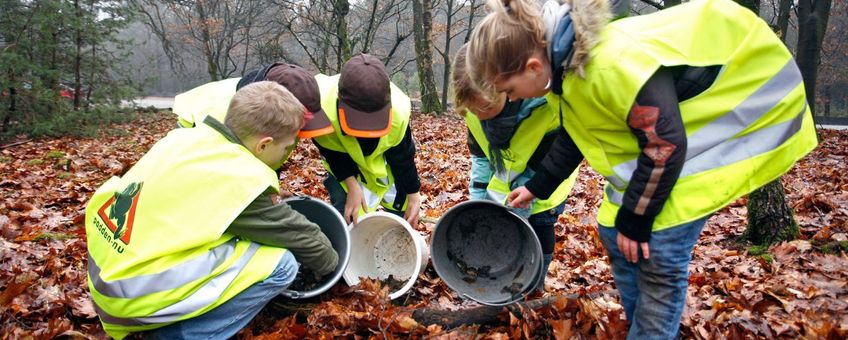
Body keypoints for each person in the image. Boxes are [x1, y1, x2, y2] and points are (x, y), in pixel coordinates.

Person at [465, 0, 817, 337]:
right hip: (659, 161)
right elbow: (576, 134)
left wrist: (636, 220)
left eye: (508, 89)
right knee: (612, 233)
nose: (510, 99)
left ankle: (652, 329)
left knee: (658, 256)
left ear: (533, 67)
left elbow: (664, 145)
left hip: (714, 136)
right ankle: (643, 327)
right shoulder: (566, 75)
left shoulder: (608, 67)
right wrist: (537, 187)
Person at [85, 81, 339, 339]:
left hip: (108, 276)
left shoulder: (191, 138)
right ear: (263, 145)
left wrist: (261, 197)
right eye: (287, 147)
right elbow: (300, 236)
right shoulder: (238, 177)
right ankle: (184, 334)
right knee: (282, 265)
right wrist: (330, 264)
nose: (289, 153)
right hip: (134, 293)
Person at [451, 44, 579, 289]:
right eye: (473, 110)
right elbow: (480, 154)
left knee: (540, 222)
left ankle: (535, 282)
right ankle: (503, 282)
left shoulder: (543, 106)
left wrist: (521, 206)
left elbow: (553, 157)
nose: (481, 115)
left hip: (548, 176)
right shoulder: (472, 105)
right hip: (509, 172)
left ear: (505, 88)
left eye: (487, 107)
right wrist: (477, 199)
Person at [312, 54, 422, 226]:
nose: (365, 132)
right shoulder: (321, 106)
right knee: (348, 217)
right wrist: (351, 185)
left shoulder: (398, 112)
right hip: (343, 166)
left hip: (384, 166)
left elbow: (403, 156)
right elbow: (330, 151)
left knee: (403, 207)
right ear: (339, 99)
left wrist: (414, 193)